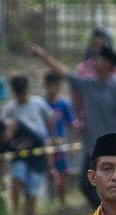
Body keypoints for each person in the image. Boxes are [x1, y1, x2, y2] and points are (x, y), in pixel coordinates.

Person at [28, 43, 116, 209]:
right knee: (85, 185)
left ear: (108, 64)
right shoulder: (88, 85)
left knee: (112, 186)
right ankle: (106, 214)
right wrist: (42, 55)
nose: (95, 62)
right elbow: (63, 72)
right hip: (92, 148)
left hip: (113, 149)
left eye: (100, 59)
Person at [2, 75, 58, 215]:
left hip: (39, 150)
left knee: (32, 187)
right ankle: (14, 213)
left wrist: (52, 140)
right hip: (20, 151)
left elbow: (49, 121)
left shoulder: (38, 103)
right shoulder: (10, 109)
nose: (22, 96)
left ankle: (29, 213)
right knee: (17, 178)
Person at [43, 71, 79, 207]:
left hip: (60, 145)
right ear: (45, 86)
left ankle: (63, 205)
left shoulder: (63, 104)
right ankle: (50, 203)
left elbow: (72, 124)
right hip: (45, 146)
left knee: (63, 174)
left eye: (57, 86)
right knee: (49, 174)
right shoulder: (41, 104)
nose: (54, 89)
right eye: (51, 86)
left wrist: (73, 144)